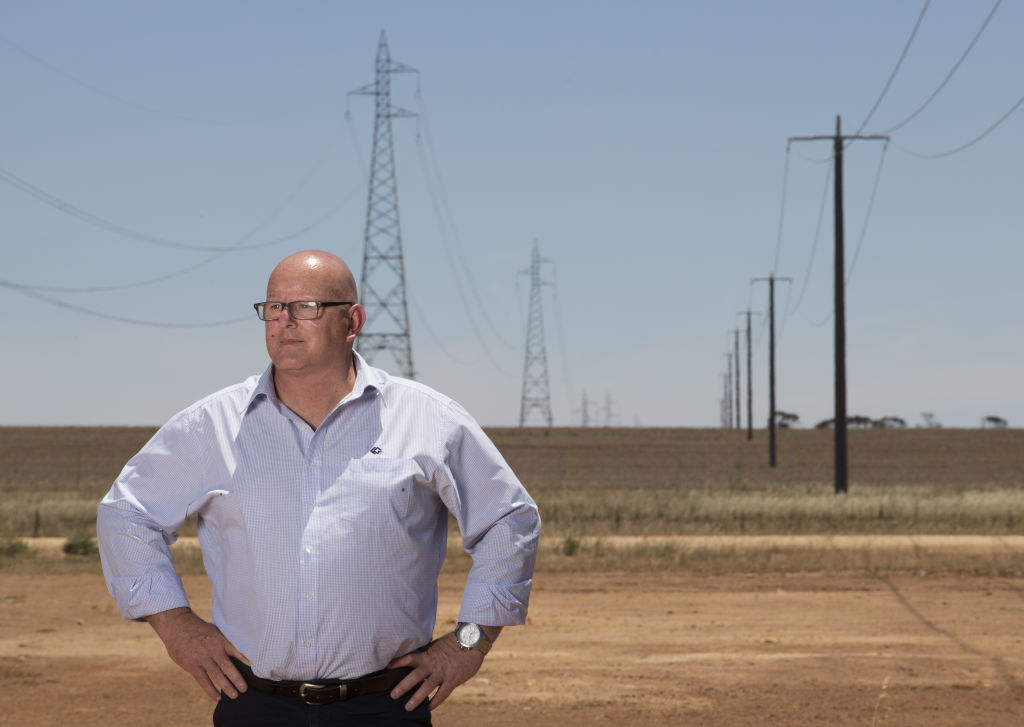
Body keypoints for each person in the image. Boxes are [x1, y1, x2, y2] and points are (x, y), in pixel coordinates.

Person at [97, 250, 541, 726]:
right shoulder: (211, 426)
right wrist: (175, 625)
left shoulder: (427, 419)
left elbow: (508, 520)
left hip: (385, 706)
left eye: (305, 306)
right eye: (273, 307)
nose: (284, 321)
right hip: (254, 704)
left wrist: (469, 644)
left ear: (353, 321)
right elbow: (128, 513)